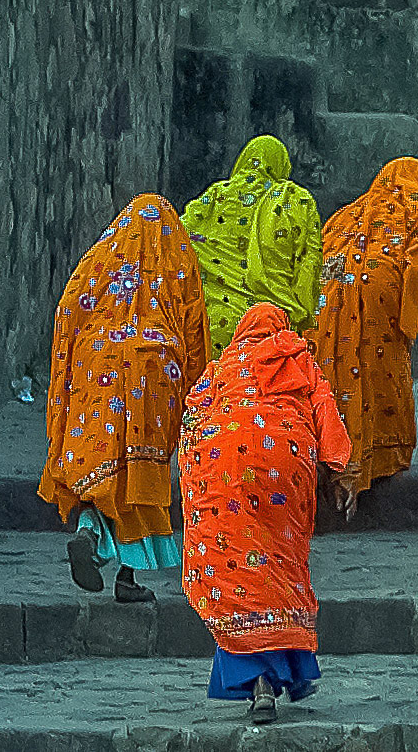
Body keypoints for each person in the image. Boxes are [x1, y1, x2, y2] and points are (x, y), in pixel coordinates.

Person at [180, 303, 351, 725]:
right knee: (277, 564)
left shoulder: (222, 366)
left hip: (225, 472)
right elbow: (326, 412)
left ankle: (258, 681)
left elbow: (192, 419)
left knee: (238, 567)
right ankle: (273, 678)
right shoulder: (299, 357)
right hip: (284, 468)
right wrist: (338, 471)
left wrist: (197, 478)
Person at [38, 194, 209, 603]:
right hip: (153, 370)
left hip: (97, 367)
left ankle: (87, 533)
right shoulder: (176, 259)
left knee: (101, 468)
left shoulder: (101, 258)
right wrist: (198, 390)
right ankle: (126, 578)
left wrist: (79, 353)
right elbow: (192, 319)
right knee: (139, 475)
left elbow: (67, 308)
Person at [311, 157, 418, 519]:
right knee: (378, 373)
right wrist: (407, 320)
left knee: (337, 374)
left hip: (329, 297)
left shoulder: (349, 212)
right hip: (379, 292)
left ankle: (330, 459)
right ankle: (371, 461)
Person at [183, 136, 322, 355]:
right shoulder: (296, 200)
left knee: (217, 385)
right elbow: (309, 264)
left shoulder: (216, 195)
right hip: (270, 329)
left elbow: (181, 243)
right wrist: (300, 316)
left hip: (215, 325)